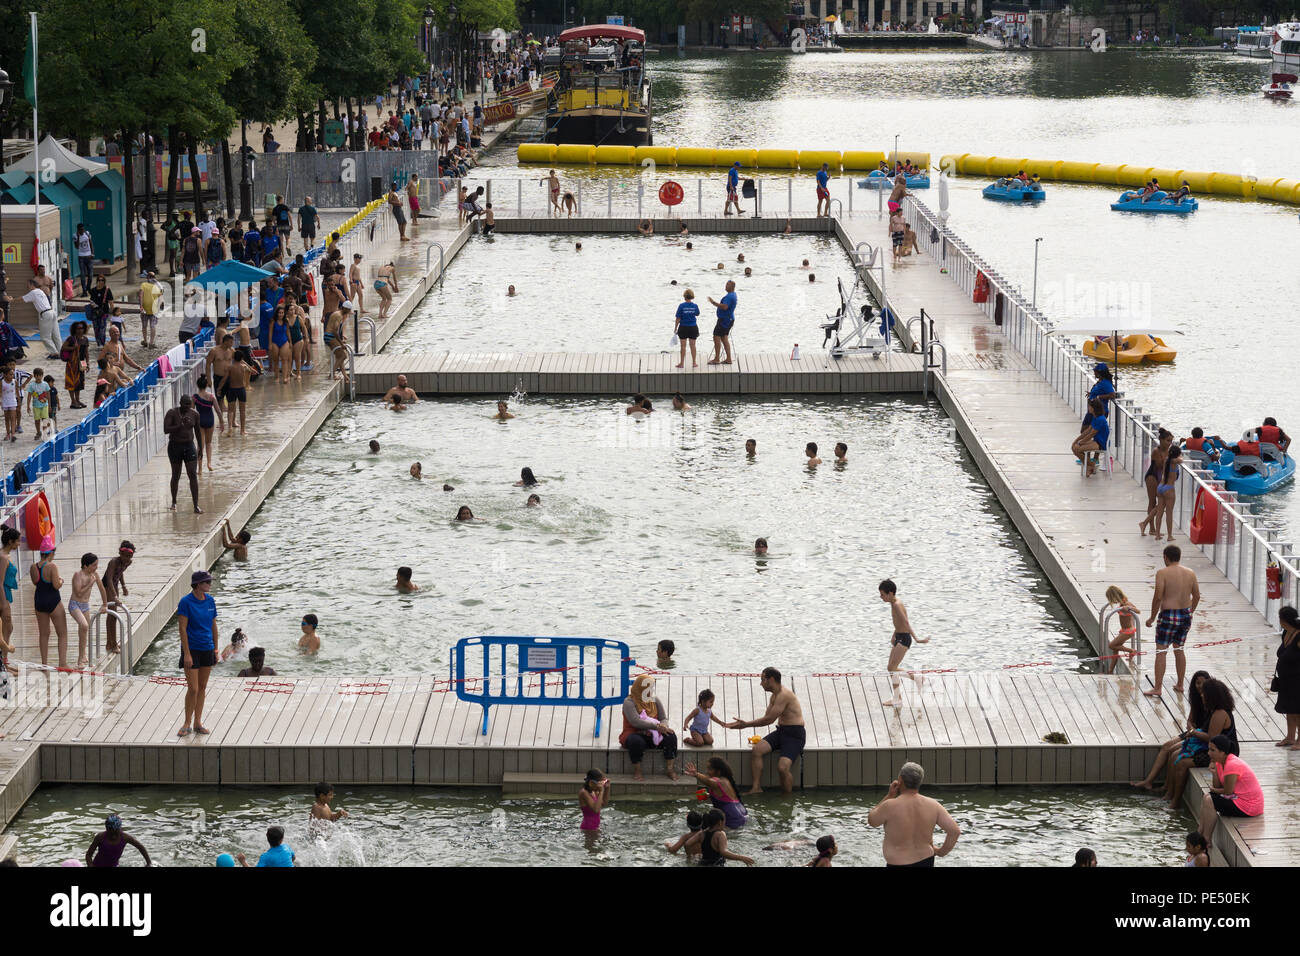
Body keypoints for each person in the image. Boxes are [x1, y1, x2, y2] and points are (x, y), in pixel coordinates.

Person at [725, 667, 804, 794]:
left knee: (782, 768)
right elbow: (766, 718)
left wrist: (745, 725)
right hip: (781, 732)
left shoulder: (783, 695)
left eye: (763, 680)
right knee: (757, 750)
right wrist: (745, 724)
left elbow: (769, 720)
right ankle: (756, 788)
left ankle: (787, 799)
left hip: (795, 735)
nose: (761, 683)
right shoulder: (774, 696)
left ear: (771, 680)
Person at [867, 762, 961, 867]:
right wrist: (940, 852)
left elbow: (872, 821)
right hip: (927, 861)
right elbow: (954, 831)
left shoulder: (889, 806)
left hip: (898, 863)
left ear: (900, 780)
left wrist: (889, 795)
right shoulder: (933, 805)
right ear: (920, 781)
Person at [1145, 544, 1200, 698]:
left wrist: (1152, 617)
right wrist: (1190, 612)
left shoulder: (1162, 573)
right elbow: (1196, 596)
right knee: (1179, 649)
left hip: (1169, 614)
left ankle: (1157, 688)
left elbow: (1158, 596)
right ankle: (1181, 684)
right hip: (1185, 614)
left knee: (1161, 651)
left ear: (1165, 557)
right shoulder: (1190, 573)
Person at [1197, 735, 1263, 845]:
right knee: (1207, 797)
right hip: (1238, 798)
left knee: (1209, 800)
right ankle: (1200, 832)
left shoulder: (1232, 764)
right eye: (1209, 749)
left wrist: (1214, 790)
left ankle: (1206, 839)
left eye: (1213, 750)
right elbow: (1218, 786)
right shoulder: (1220, 761)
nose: (1209, 753)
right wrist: (1214, 773)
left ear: (1222, 752)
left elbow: (1227, 791)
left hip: (1249, 806)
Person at [177, 570, 218, 736]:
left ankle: (198, 722)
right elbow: (182, 628)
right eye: (207, 582)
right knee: (192, 688)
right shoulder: (186, 602)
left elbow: (213, 625)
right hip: (192, 648)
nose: (210, 584)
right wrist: (186, 653)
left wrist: (216, 648)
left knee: (202, 687)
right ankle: (186, 722)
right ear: (198, 584)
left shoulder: (210, 600)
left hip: (207, 647)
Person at [619, 674, 678, 781]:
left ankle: (670, 769)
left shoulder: (655, 700)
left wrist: (664, 726)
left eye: (651, 687)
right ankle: (637, 770)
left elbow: (663, 718)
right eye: (648, 688)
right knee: (635, 741)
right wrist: (656, 727)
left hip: (655, 734)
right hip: (635, 733)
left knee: (671, 736)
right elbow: (635, 722)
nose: (650, 690)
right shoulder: (629, 702)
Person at [881, 578, 928, 706]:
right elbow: (899, 623)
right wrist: (894, 634)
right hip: (899, 636)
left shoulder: (897, 605)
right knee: (891, 668)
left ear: (890, 593)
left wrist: (917, 639)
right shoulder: (893, 603)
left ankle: (914, 681)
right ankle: (898, 697)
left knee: (892, 668)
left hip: (905, 638)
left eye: (882, 594)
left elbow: (906, 622)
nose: (881, 597)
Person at [67, 553, 108, 669]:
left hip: (85, 605)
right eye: (94, 565)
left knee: (85, 629)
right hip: (74, 605)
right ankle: (80, 660)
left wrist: (105, 604)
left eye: (97, 565)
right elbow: (78, 593)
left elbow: (102, 589)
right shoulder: (78, 575)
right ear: (85, 566)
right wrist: (91, 583)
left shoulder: (94, 574)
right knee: (84, 625)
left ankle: (84, 655)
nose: (96, 567)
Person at [31, 547, 69, 667]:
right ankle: (62, 664)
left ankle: (44, 664)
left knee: (43, 633)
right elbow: (56, 586)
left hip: (39, 601)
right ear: (50, 553)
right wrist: (61, 581)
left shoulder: (33, 567)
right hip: (53, 601)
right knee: (62, 633)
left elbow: (35, 582)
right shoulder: (52, 566)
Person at [165, 395, 203, 513]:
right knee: (176, 475)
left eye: (189, 404)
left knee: (192, 475)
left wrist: (200, 448)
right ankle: (174, 501)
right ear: (180, 403)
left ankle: (196, 505)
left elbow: (197, 432)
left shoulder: (195, 414)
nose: (187, 407)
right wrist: (180, 425)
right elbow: (166, 429)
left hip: (189, 446)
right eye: (185, 404)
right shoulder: (172, 413)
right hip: (175, 446)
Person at [685, 756, 747, 828]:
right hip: (742, 814)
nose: (707, 771)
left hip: (732, 820)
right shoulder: (726, 780)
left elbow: (708, 781)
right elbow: (725, 799)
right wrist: (709, 795)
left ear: (718, 771)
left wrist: (696, 774)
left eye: (710, 769)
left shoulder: (717, 782)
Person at [1273, 605, 1300, 749]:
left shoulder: (1299, 635)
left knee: (1297, 710)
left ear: (1285, 620)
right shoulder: (1285, 633)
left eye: (1280, 618)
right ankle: (1290, 737)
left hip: (1297, 680)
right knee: (1289, 709)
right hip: (1285, 679)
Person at [686, 808, 754, 866]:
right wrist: (742, 858)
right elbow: (723, 852)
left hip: (702, 863)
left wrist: (690, 857)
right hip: (716, 864)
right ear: (720, 822)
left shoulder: (702, 833)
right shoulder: (720, 834)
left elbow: (687, 844)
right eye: (725, 820)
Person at [101, 542, 133, 654]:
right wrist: (114, 596)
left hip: (114, 585)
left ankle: (110, 643)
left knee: (113, 616)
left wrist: (124, 586)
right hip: (106, 585)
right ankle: (112, 644)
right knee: (112, 615)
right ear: (120, 553)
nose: (126, 559)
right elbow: (109, 579)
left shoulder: (128, 562)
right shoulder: (113, 562)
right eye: (124, 556)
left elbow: (120, 573)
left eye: (129, 556)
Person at [1139, 429, 1174, 529]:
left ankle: (1145, 524)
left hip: (1161, 478)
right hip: (1152, 476)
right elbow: (1160, 466)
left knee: (1161, 503)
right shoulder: (1156, 451)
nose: (1169, 443)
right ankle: (1151, 527)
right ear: (1161, 440)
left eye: (1171, 441)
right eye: (1168, 440)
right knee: (1152, 501)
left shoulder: (1169, 451)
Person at [85, 815, 151, 867]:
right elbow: (88, 855)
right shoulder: (100, 837)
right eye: (110, 834)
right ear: (106, 829)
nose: (113, 836)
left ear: (120, 829)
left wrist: (149, 863)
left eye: (116, 833)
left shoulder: (125, 837)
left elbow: (140, 847)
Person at [1103, 585, 1140, 671]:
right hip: (1124, 630)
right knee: (1115, 649)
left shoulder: (1127, 604)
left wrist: (1129, 608)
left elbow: (1138, 611)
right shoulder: (1122, 603)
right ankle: (1110, 670)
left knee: (1111, 645)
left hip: (1128, 631)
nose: (1112, 601)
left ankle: (1131, 651)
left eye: (1111, 599)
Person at [0, 528, 21, 676]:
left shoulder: (5, 555)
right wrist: (4, 603)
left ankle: (4, 662)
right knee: (6, 628)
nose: (19, 544)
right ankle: (3, 665)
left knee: (8, 628)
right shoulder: (3, 558)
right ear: (10, 541)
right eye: (18, 541)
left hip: (5, 594)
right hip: (2, 596)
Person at [1071, 399, 1109, 476]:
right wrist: (1076, 440)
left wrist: (1080, 442)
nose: (1088, 408)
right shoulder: (1095, 417)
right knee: (1074, 447)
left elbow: (1091, 434)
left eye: (1089, 406)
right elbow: (1087, 431)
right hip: (1096, 441)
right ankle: (1091, 465)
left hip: (1101, 443)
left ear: (1093, 408)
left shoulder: (1100, 419)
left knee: (1077, 449)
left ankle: (1090, 466)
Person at [706, 280, 737, 365]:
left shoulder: (730, 296)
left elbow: (725, 307)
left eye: (728, 285)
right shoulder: (732, 295)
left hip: (725, 320)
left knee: (716, 336)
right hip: (728, 319)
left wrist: (713, 302)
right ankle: (728, 359)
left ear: (732, 287)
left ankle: (716, 359)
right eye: (726, 284)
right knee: (724, 338)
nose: (726, 286)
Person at [674, 289, 700, 369]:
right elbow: (697, 314)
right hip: (693, 327)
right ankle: (694, 362)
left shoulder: (681, 306)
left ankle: (681, 363)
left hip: (683, 327)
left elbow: (678, 318)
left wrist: (675, 328)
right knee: (693, 345)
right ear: (692, 296)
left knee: (683, 346)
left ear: (684, 296)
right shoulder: (695, 306)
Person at [25, 365, 52, 441]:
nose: (38, 377)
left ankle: (44, 433)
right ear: (34, 376)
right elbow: (29, 396)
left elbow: (48, 395)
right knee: (37, 420)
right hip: (36, 406)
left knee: (45, 420)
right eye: (37, 375)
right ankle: (38, 432)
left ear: (42, 376)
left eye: (40, 375)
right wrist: (28, 406)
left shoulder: (45, 384)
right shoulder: (32, 385)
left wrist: (49, 405)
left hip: (44, 405)